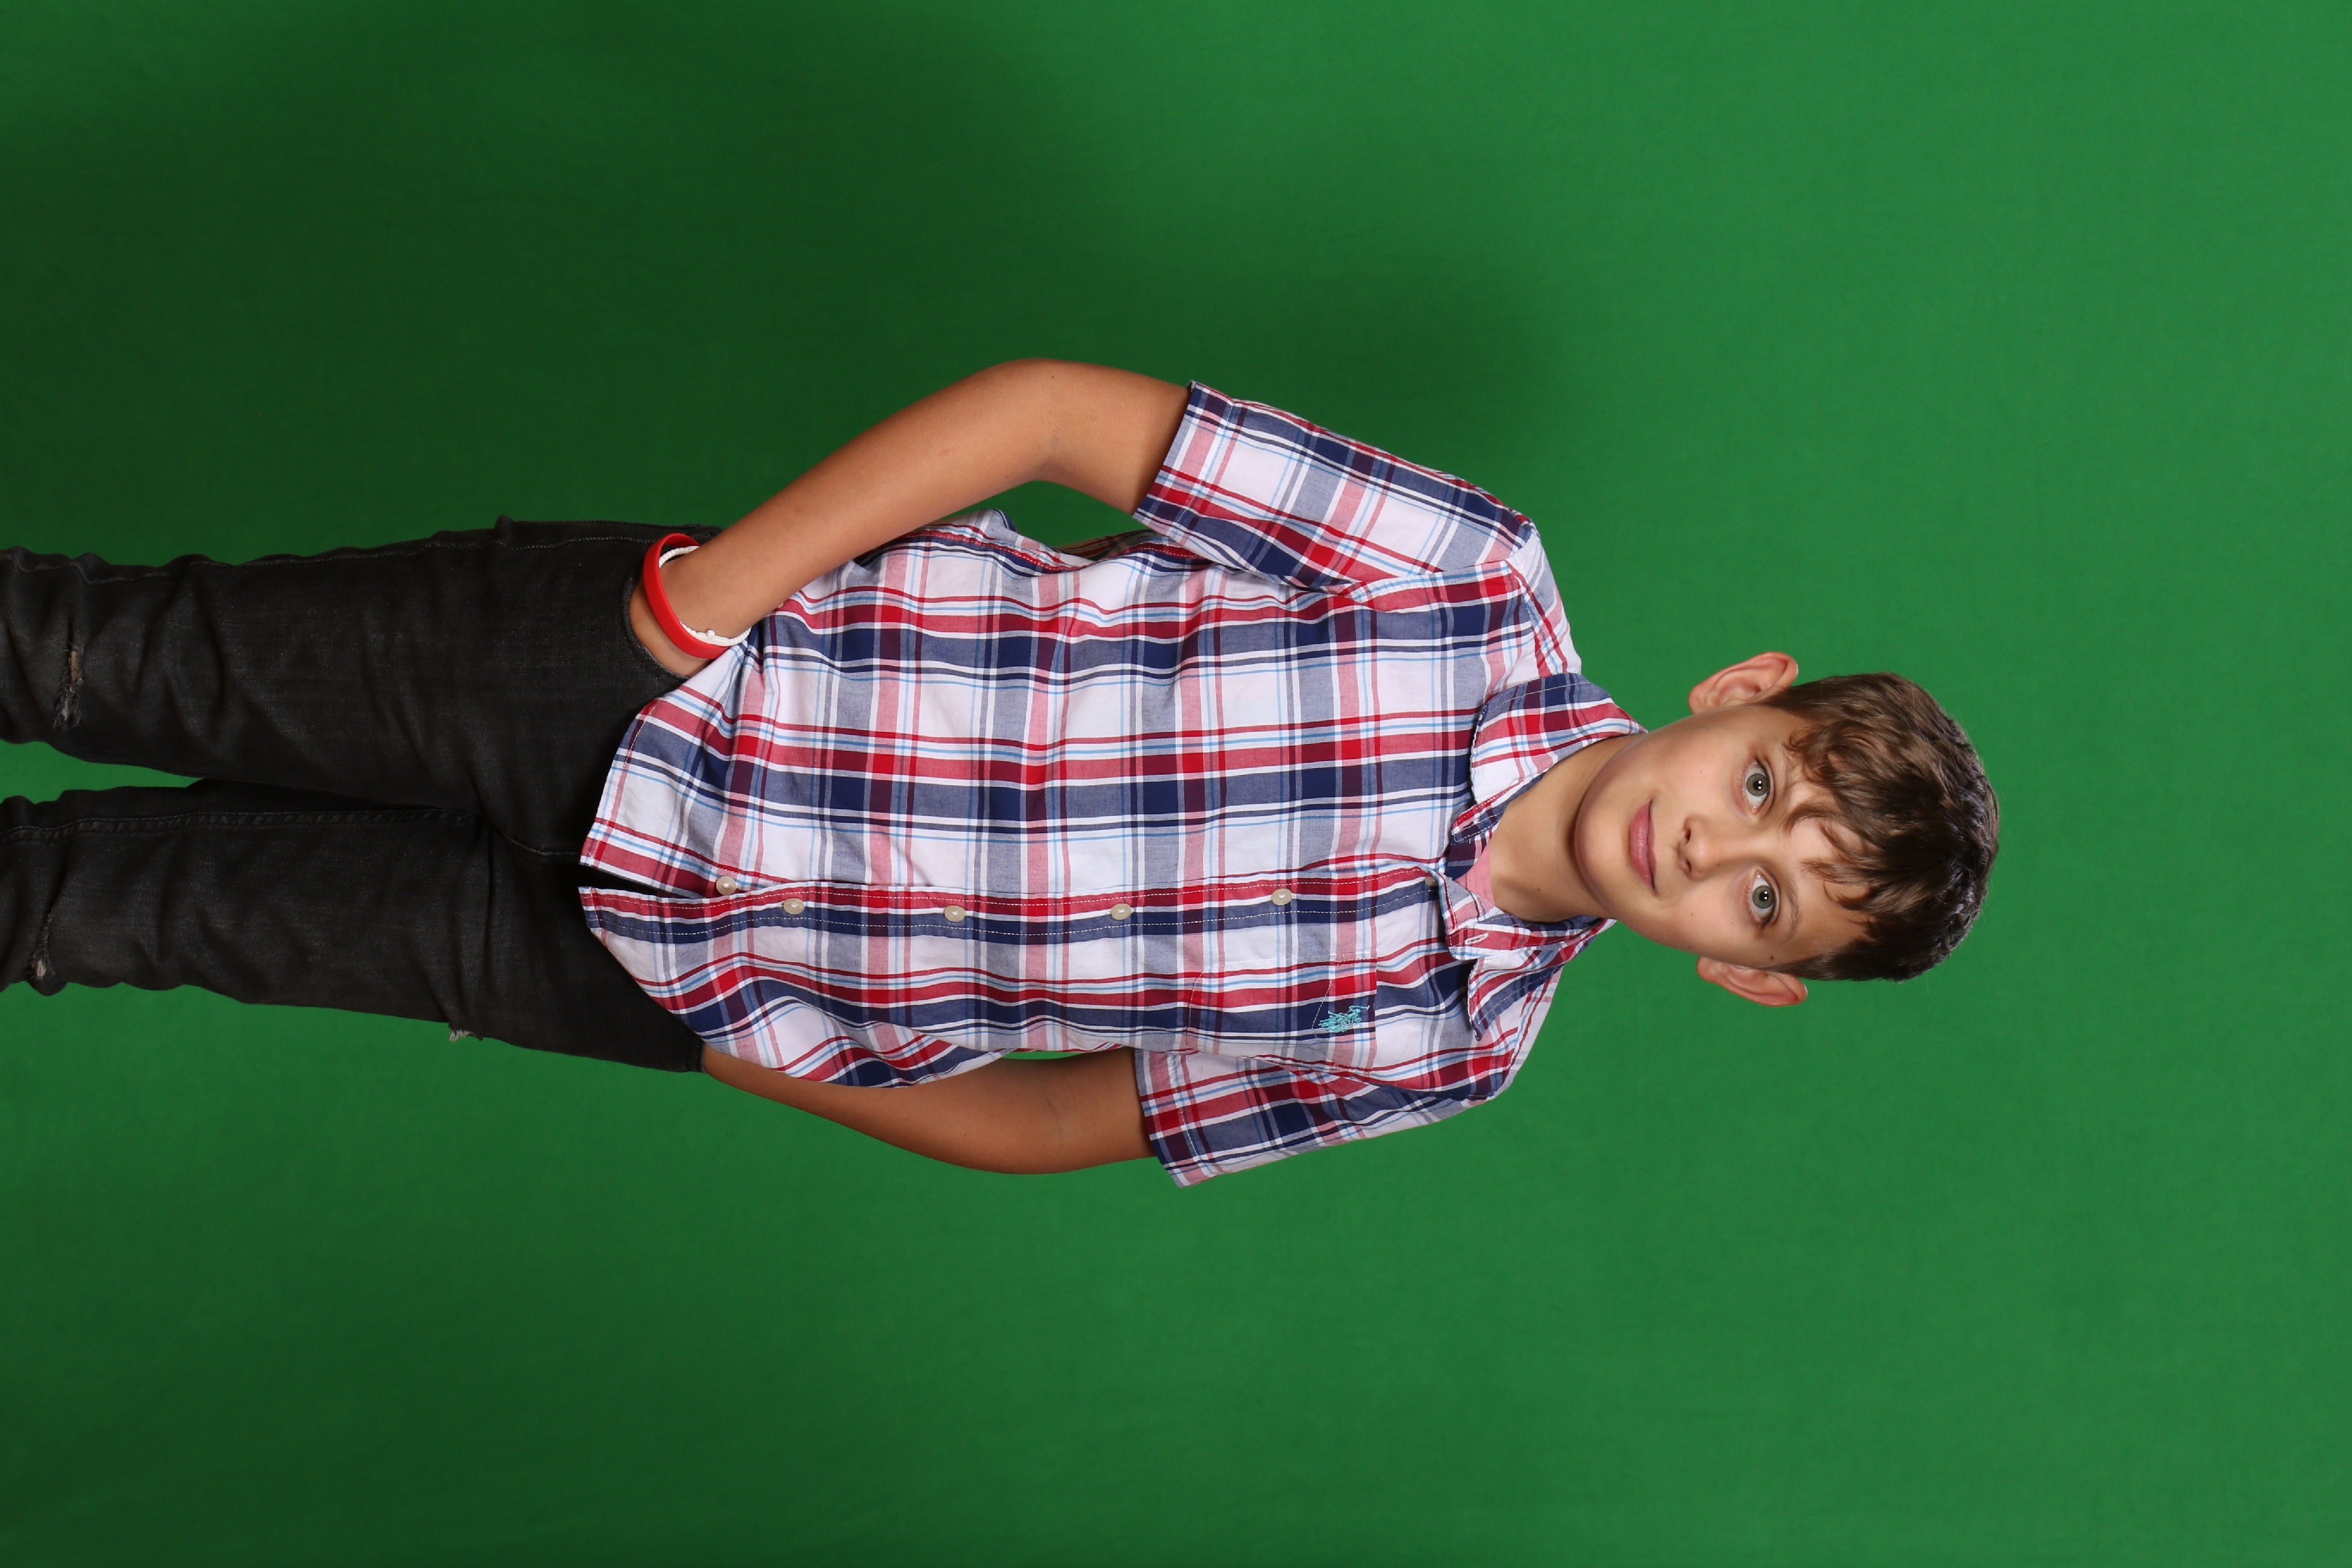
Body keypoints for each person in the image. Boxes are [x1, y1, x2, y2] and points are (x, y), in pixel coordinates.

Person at [0, 360, 1997, 1185]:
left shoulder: (1449, 1044)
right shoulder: (1464, 577)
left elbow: (1062, 1120)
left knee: (104, 912)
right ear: (1743, 692)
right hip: (654, 678)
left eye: (1764, 898)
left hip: (668, 974)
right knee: (105, 657)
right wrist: (694, 606)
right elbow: (1051, 415)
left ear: (1748, 975)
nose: (1706, 844)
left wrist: (745, 1048)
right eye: (1762, 786)